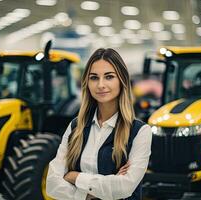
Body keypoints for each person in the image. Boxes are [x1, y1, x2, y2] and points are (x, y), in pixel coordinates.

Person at [46, 48, 152, 200]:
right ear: (87, 83)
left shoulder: (140, 132)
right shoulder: (76, 127)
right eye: (94, 78)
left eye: (109, 77)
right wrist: (89, 194)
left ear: (122, 80)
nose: (100, 85)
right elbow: (52, 183)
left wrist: (74, 177)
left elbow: (125, 187)